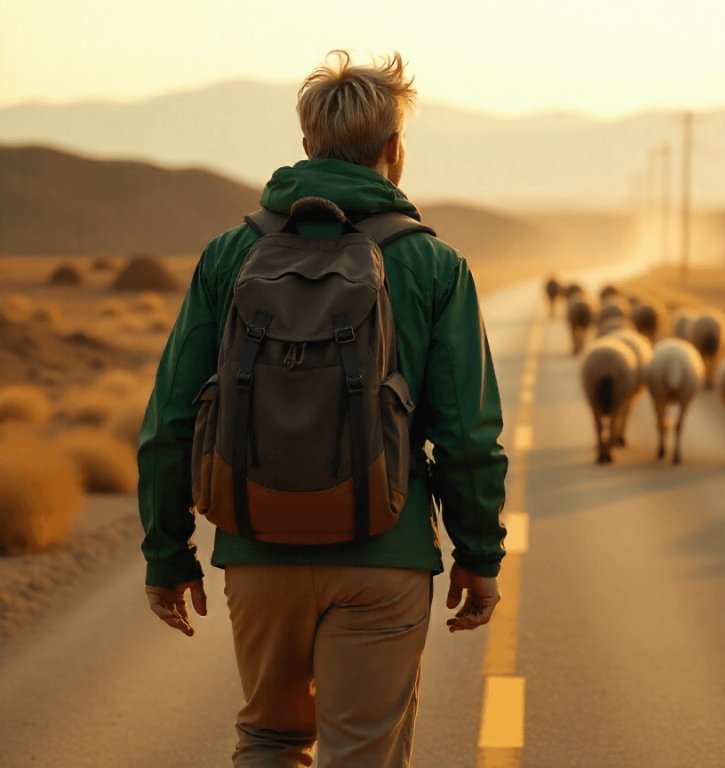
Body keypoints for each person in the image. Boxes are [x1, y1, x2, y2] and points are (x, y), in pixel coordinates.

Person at [138, 50, 508, 768]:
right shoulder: (434, 265)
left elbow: (172, 420)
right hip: (385, 552)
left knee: (269, 742)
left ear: (307, 145)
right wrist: (479, 554)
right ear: (394, 151)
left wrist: (166, 553)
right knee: (360, 755)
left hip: (256, 548)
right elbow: (467, 435)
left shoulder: (229, 256)